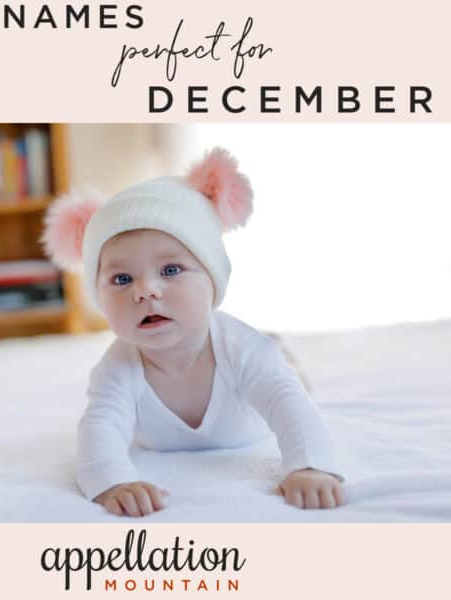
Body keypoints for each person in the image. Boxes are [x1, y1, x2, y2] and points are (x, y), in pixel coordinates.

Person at [42, 147, 345, 517]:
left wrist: (310, 466)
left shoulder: (240, 348)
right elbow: (99, 428)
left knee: (286, 376)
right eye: (122, 279)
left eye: (170, 270)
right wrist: (113, 481)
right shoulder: (116, 368)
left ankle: (284, 353)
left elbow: (289, 405)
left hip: (250, 387)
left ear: (212, 279)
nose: (146, 291)